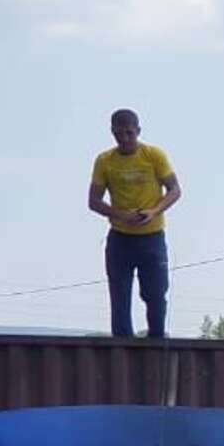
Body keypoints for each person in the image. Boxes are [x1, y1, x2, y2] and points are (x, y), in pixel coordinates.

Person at [87, 108, 181, 338]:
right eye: (119, 134)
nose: (125, 139)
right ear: (112, 133)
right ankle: (122, 346)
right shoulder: (104, 161)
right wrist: (120, 214)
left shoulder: (153, 155)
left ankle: (157, 339)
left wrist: (153, 211)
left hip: (152, 235)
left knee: (156, 293)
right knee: (120, 295)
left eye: (129, 133)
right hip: (120, 237)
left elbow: (175, 190)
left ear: (138, 131)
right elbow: (93, 201)